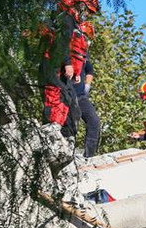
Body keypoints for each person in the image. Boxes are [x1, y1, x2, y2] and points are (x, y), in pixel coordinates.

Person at [41, 0, 98, 139]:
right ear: (81, 5)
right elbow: (62, 41)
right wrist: (67, 63)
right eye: (87, 10)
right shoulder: (66, 18)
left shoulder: (72, 21)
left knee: (73, 108)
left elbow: (74, 52)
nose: (87, 14)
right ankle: (51, 136)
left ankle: (66, 140)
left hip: (61, 70)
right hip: (52, 66)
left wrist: (76, 72)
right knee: (56, 102)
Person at [73, 21, 100, 157]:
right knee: (71, 122)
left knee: (94, 122)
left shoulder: (84, 54)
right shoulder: (69, 48)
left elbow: (89, 69)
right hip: (68, 92)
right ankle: (66, 151)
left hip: (81, 94)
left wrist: (87, 85)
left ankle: (89, 156)